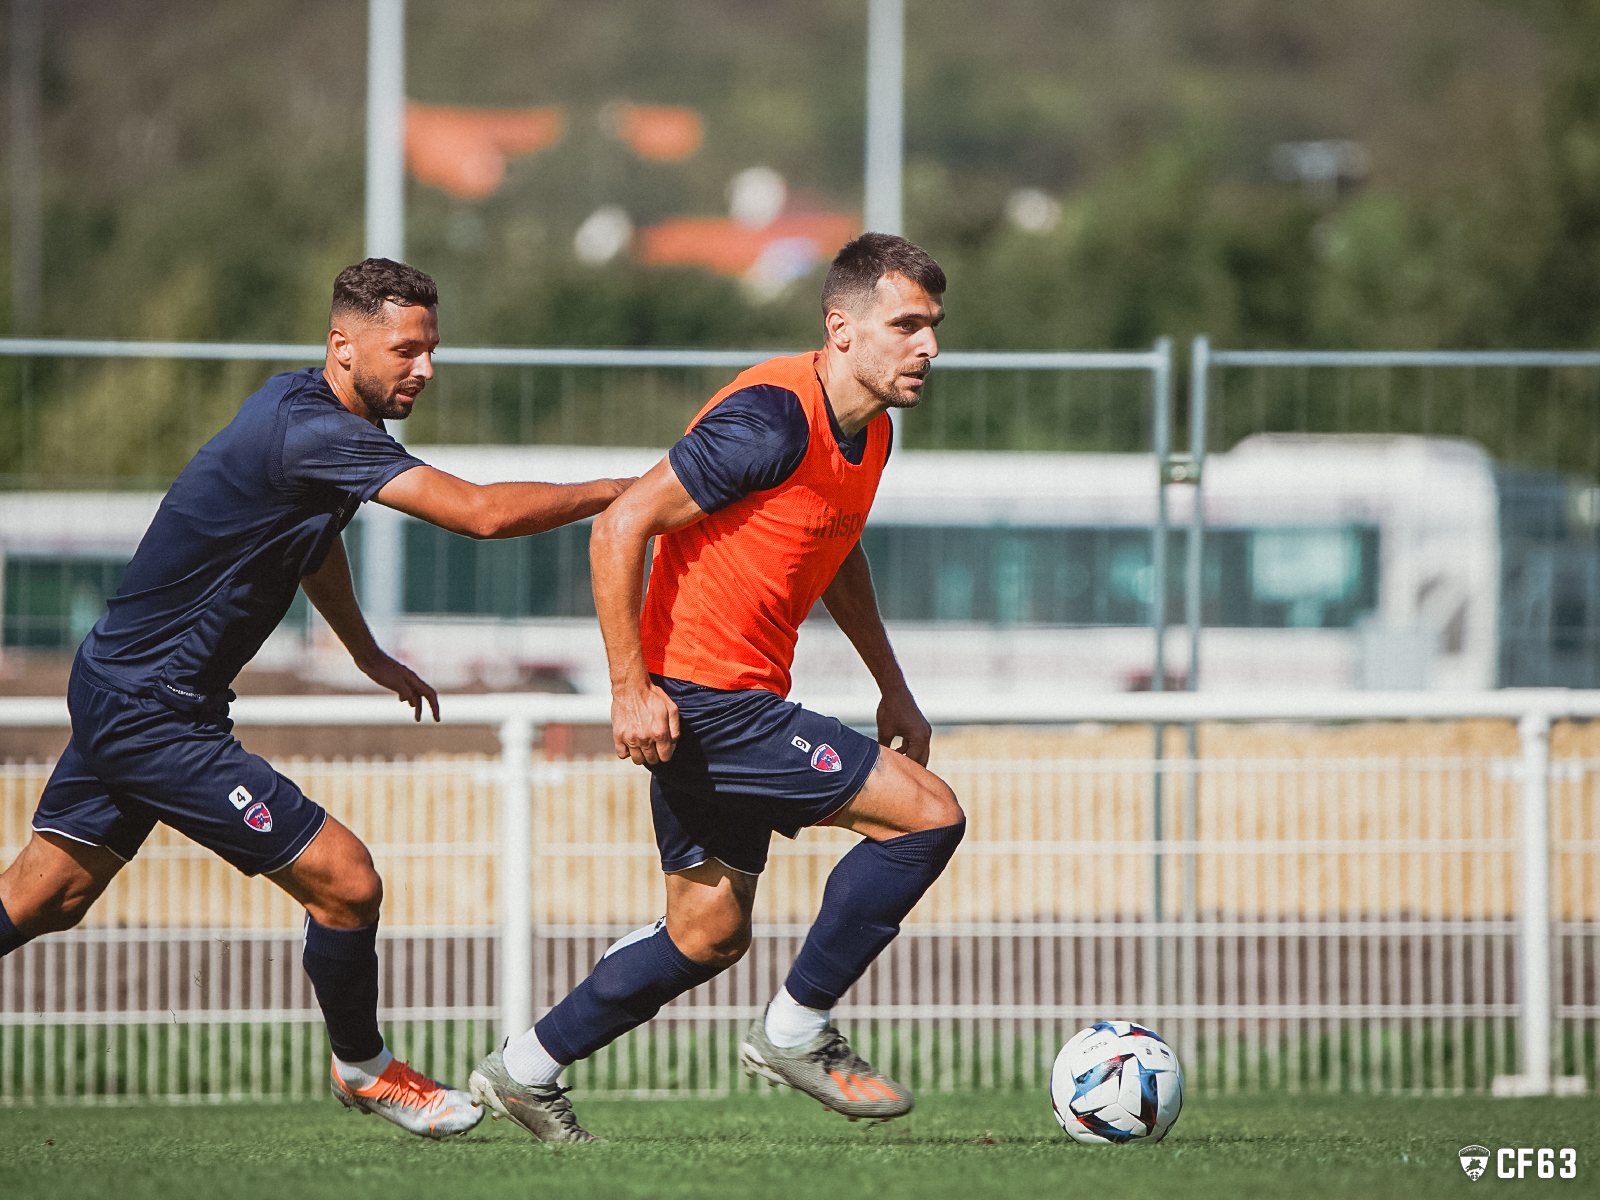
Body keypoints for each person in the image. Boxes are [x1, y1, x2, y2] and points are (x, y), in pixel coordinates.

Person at [0, 259, 632, 1139]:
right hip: (150, 708)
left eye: (431, 349)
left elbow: (312, 539)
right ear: (345, 345)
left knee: (42, 900)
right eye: (405, 349)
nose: (426, 369)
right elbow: (482, 513)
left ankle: (364, 1070)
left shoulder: (309, 415)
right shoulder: (314, 433)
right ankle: (366, 1070)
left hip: (127, 690)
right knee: (346, 880)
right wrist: (627, 492)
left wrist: (368, 653)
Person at [470, 233, 965, 1142]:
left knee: (705, 933)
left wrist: (893, 687)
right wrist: (631, 689)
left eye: (934, 326)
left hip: (724, 698)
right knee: (928, 816)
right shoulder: (772, 417)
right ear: (841, 328)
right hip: (702, 702)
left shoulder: (872, 433)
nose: (929, 346)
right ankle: (796, 1031)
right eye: (908, 325)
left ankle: (523, 1070)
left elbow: (836, 548)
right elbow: (621, 526)